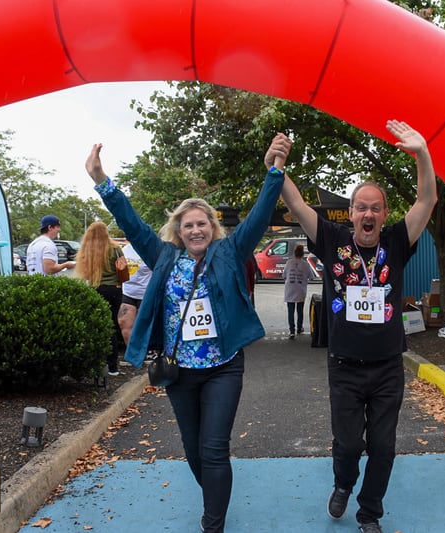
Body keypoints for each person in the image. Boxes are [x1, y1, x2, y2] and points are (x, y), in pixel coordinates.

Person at [85, 133, 289, 533]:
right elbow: (130, 222)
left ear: (212, 228)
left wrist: (275, 171)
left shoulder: (231, 252)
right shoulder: (163, 256)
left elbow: (260, 216)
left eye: (202, 224)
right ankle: (215, 496)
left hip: (223, 367)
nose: (196, 230)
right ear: (178, 231)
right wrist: (101, 179)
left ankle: (213, 524)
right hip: (180, 371)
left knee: (214, 449)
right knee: (195, 452)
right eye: (188, 225)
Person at [279, 120, 437, 533]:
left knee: (383, 447)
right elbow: (295, 205)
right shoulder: (331, 238)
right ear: (350, 214)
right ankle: (343, 483)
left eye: (375, 208)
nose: (368, 213)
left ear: (384, 215)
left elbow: (428, 198)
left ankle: (370, 512)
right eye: (360, 207)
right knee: (349, 443)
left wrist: (422, 153)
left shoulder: (398, 242)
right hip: (345, 366)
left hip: (387, 366)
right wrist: (277, 165)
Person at [75, 222, 127, 376]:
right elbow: (124, 268)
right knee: (112, 326)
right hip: (114, 289)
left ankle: (97, 363)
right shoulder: (115, 248)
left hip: (96, 288)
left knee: (97, 325)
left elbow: (83, 273)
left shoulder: (87, 249)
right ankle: (113, 367)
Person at [117, 241, 153, 347]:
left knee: (144, 326)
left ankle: (147, 351)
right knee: (123, 322)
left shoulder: (149, 250)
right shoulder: (124, 250)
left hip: (145, 294)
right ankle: (132, 352)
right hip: (128, 292)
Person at [283, 243, 313, 339]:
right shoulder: (305, 264)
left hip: (290, 289)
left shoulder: (289, 263)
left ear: (294, 253)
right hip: (301, 289)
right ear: (302, 254)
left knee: (290, 311)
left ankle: (292, 331)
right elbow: (311, 277)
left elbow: (284, 276)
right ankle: (299, 328)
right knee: (300, 310)